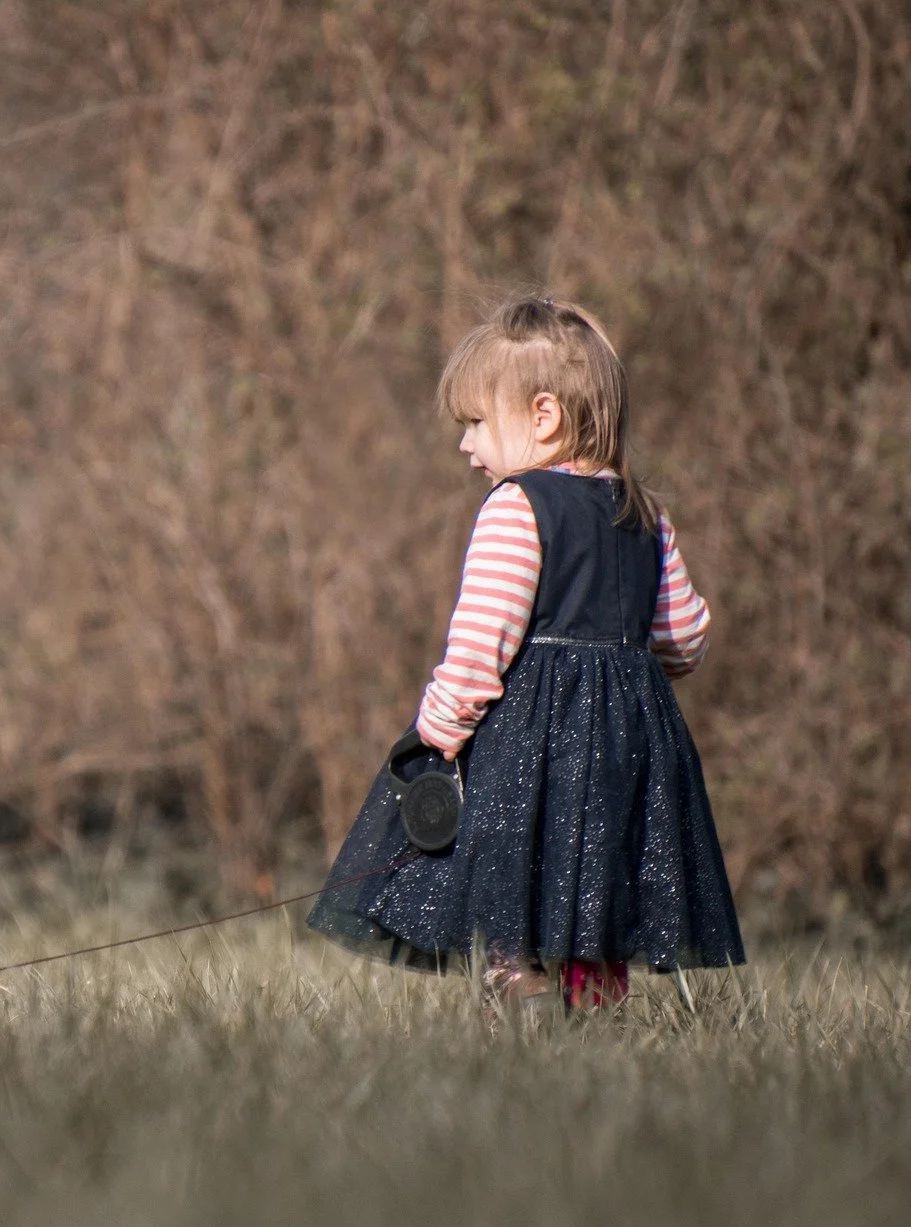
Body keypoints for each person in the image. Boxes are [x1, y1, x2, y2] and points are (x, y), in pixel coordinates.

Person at [307, 296, 744, 1013]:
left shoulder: (516, 508)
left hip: (529, 741)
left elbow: (482, 644)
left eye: (477, 423)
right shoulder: (644, 514)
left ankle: (519, 998)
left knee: (513, 885)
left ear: (543, 418)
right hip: (630, 746)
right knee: (595, 890)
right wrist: (622, 670)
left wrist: (438, 735)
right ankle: (591, 1019)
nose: (466, 446)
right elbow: (685, 637)